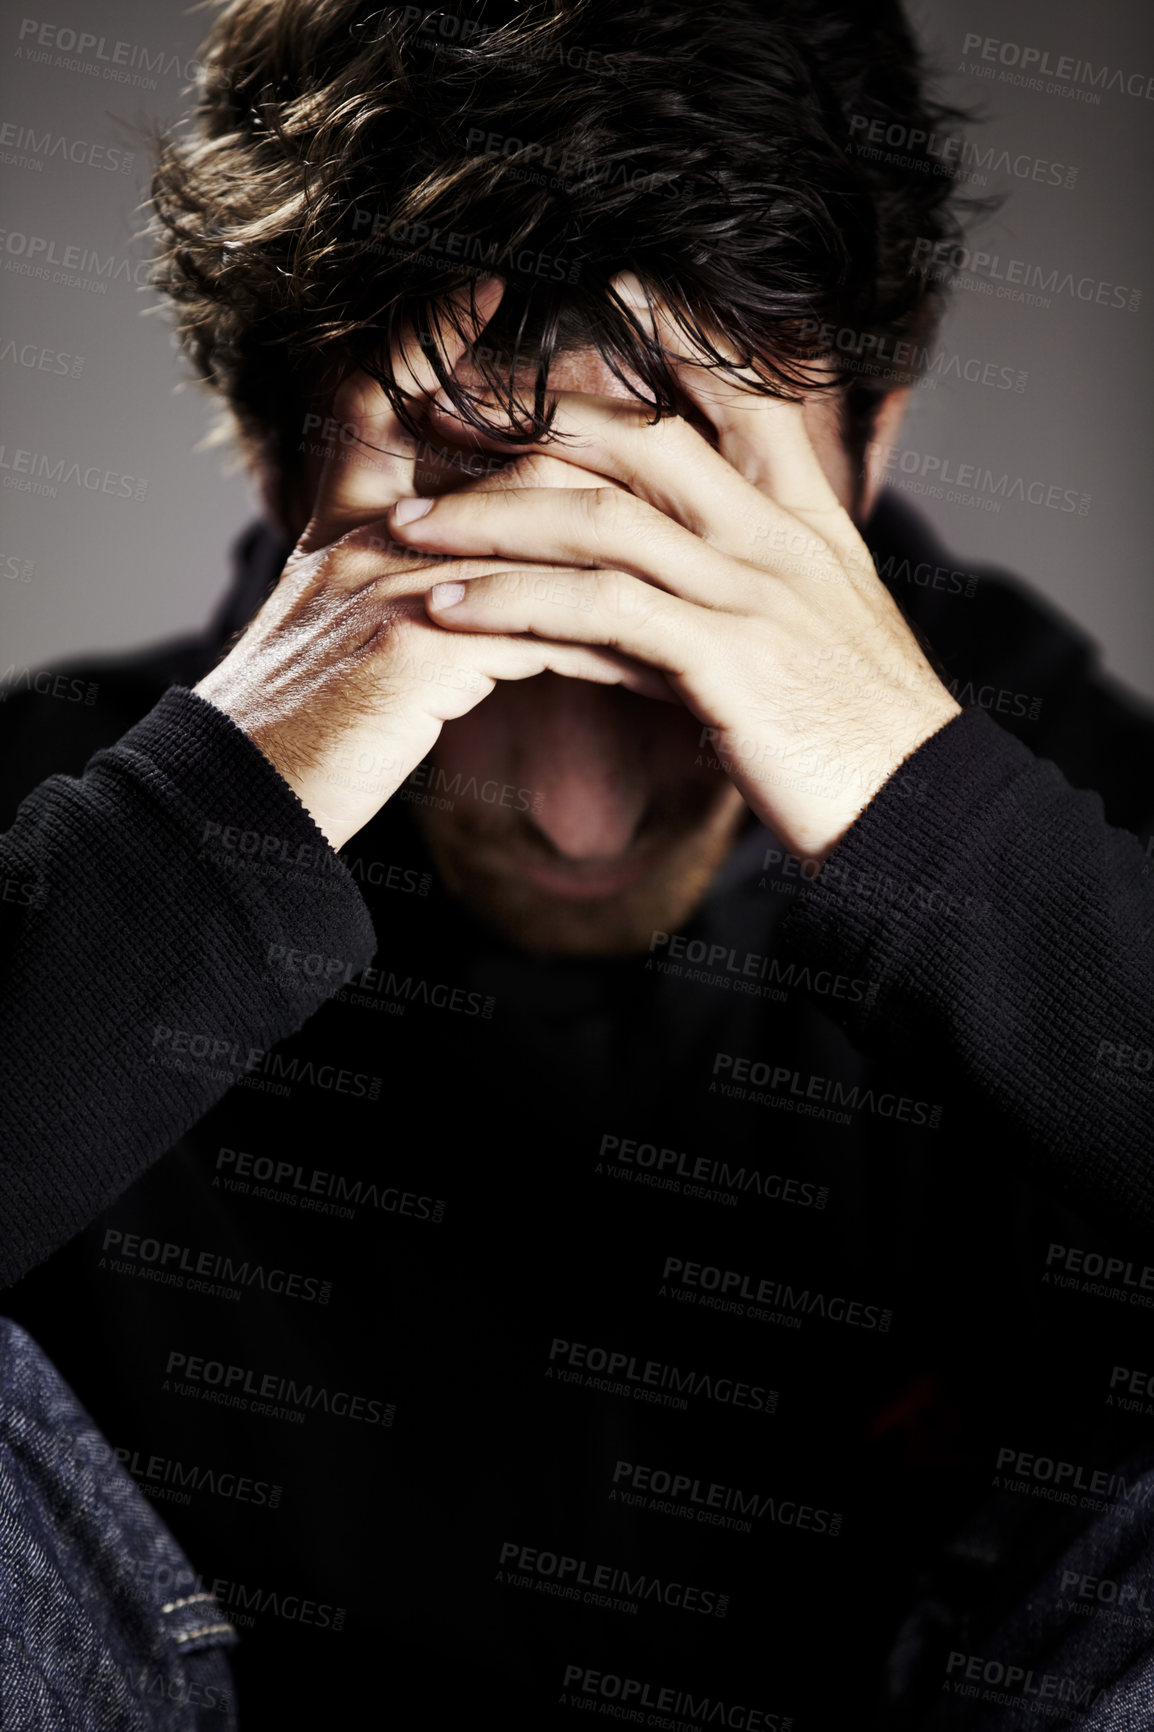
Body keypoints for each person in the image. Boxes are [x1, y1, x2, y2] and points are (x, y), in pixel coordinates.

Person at [1, 0, 1152, 1723]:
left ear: (875, 441)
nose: (574, 828)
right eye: (466, 558)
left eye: (674, 554)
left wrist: (934, 828)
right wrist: (211, 824)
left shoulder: (1084, 824)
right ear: (265, 449)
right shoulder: (58, 842)